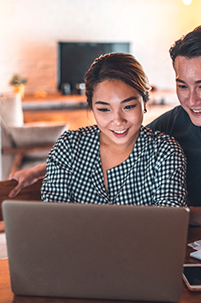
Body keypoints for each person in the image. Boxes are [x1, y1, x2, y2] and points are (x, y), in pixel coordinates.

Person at [9, 24, 201, 235]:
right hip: (191, 240)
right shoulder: (179, 119)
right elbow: (119, 137)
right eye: (182, 86)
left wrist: (172, 215)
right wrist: (39, 169)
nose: (191, 100)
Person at [39, 53, 187, 206]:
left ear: (145, 102)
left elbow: (170, 220)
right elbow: (53, 216)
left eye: (128, 107)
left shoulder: (164, 152)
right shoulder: (68, 146)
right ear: (91, 108)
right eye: (104, 109)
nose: (118, 121)